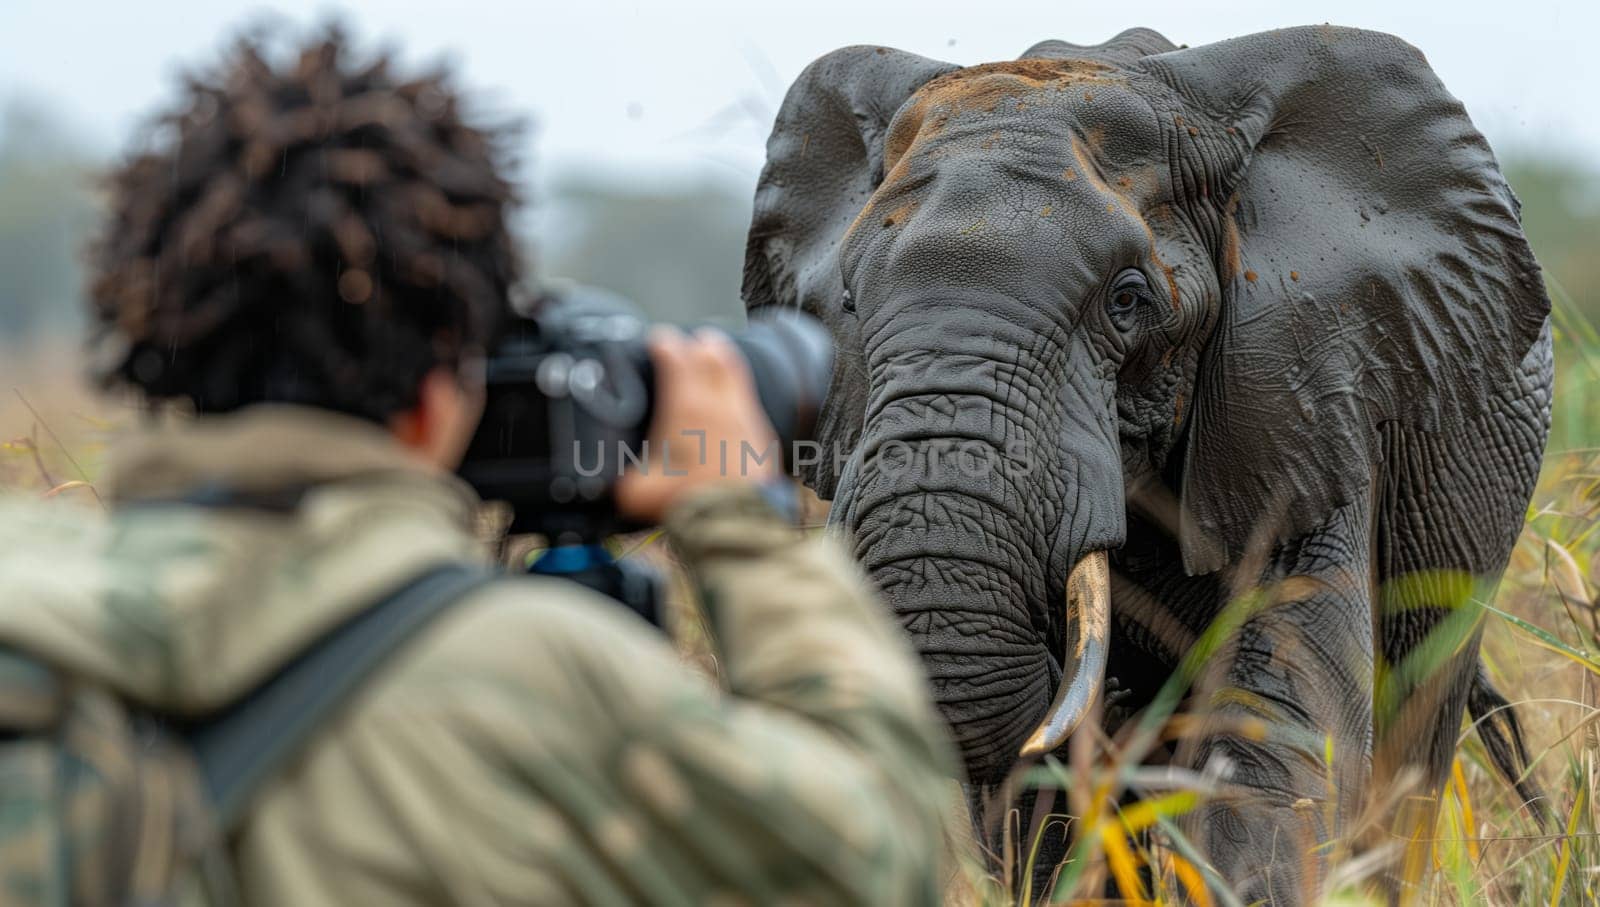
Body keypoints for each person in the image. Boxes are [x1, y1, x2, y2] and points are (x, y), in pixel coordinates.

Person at [0, 29, 955, 905]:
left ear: (146, 333)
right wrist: (739, 517)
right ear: (440, 389)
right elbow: (882, 853)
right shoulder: (529, 679)